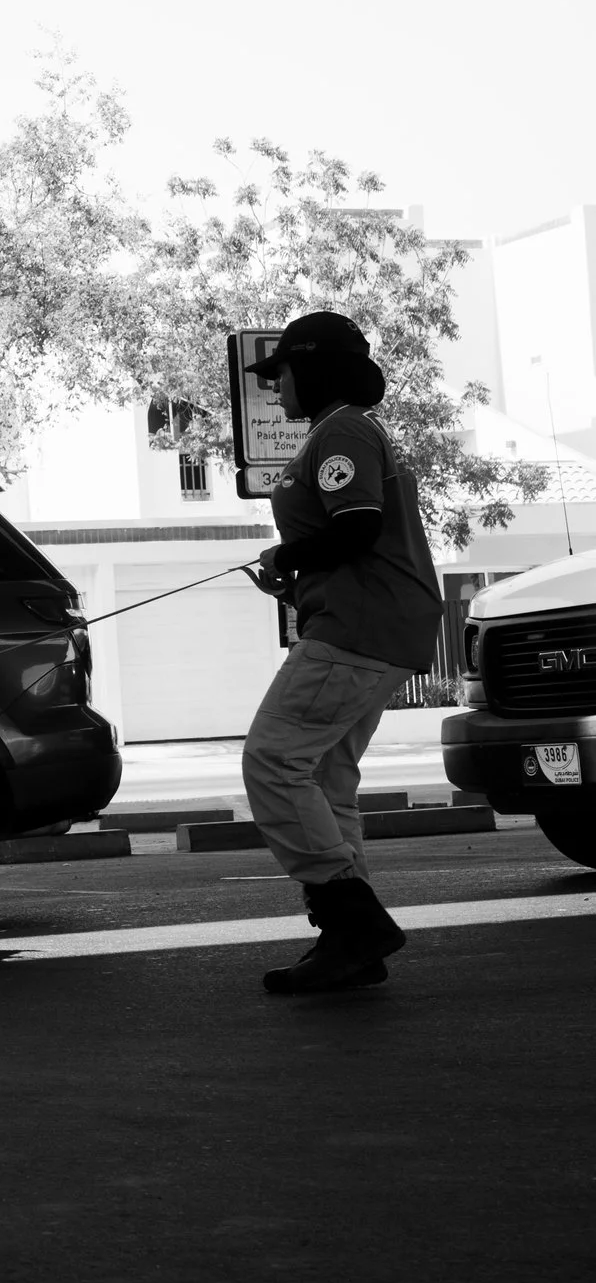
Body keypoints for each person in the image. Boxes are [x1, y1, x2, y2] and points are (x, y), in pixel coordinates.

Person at [241, 311, 445, 995]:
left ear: (315, 368)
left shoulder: (343, 430)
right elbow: (350, 532)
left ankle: (352, 920)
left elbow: (357, 526)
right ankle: (348, 942)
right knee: (325, 774)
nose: (274, 390)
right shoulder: (337, 433)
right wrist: (292, 568)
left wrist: (286, 553)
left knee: (272, 758)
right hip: (374, 622)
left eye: (281, 374)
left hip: (360, 625)